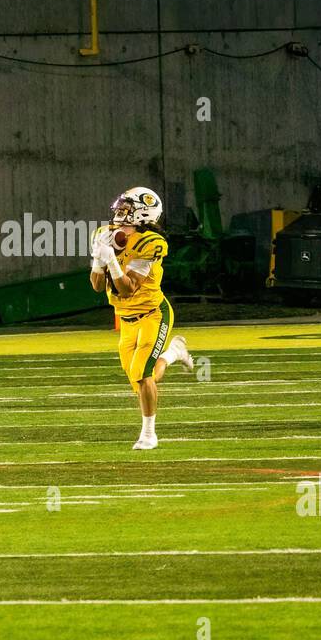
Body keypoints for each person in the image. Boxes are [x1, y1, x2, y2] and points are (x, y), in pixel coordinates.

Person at [89, 186, 194, 450]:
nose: (120, 212)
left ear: (143, 214)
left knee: (142, 373)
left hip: (153, 315)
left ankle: (149, 435)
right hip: (125, 319)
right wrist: (97, 262)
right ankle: (172, 354)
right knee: (138, 381)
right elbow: (97, 286)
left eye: (127, 209)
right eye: (120, 207)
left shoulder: (152, 243)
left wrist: (111, 260)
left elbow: (128, 288)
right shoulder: (104, 234)